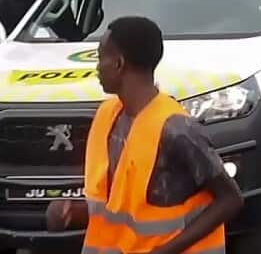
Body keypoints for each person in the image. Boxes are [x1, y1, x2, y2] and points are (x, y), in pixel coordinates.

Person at [44, 17, 242, 252]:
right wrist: (72, 211)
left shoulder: (176, 129)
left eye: (100, 57)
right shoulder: (107, 117)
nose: (97, 67)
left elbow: (231, 199)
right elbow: (120, 209)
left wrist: (165, 251)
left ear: (118, 64)